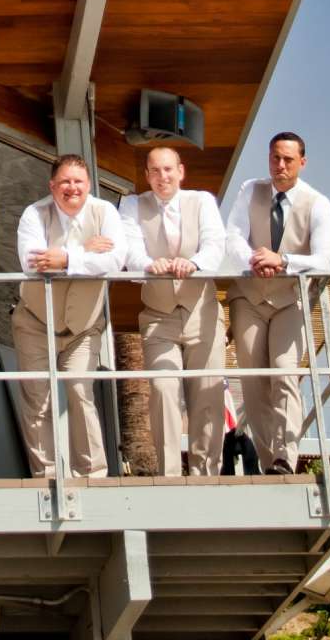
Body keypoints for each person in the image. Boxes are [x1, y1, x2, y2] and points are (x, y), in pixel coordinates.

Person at [224, 131, 330, 474]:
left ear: (302, 162)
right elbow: (232, 236)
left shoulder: (317, 203)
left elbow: (326, 259)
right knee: (255, 380)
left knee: (285, 374)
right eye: (275, 158)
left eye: (288, 159)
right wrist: (253, 260)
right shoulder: (250, 190)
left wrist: (284, 260)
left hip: (290, 301)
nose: (280, 165)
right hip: (249, 298)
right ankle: (265, 456)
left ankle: (284, 458)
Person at [13, 153, 127, 479]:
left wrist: (63, 258)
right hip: (35, 322)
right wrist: (86, 252)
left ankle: (92, 474)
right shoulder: (34, 214)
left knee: (80, 390)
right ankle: (46, 476)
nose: (72, 188)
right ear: (52, 186)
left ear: (89, 185)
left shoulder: (105, 212)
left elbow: (116, 260)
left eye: (78, 181)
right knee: (37, 398)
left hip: (84, 327)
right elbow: (32, 262)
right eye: (64, 182)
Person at [118, 144, 227, 476]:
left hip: (201, 311)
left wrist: (193, 263)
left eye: (168, 169)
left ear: (181, 171)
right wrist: (150, 265)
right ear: (147, 175)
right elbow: (129, 250)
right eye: (154, 171)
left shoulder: (202, 201)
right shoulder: (132, 205)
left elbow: (215, 245)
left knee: (207, 394)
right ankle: (168, 475)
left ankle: (205, 475)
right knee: (164, 389)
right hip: (158, 314)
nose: (162, 177)